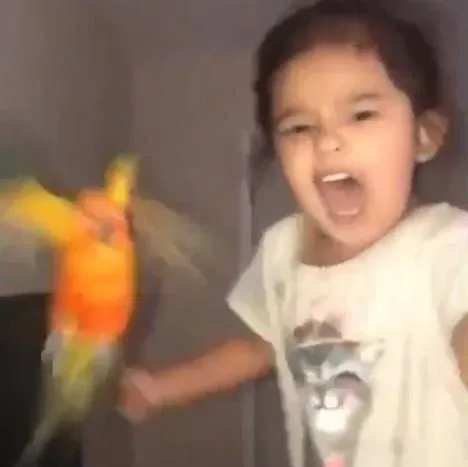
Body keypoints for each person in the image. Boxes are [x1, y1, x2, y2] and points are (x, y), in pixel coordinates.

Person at [119, 1, 468, 466]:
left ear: (423, 136)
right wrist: (162, 388)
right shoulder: (281, 249)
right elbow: (261, 346)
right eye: (299, 127)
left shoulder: (447, 245)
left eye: (361, 115)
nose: (327, 141)